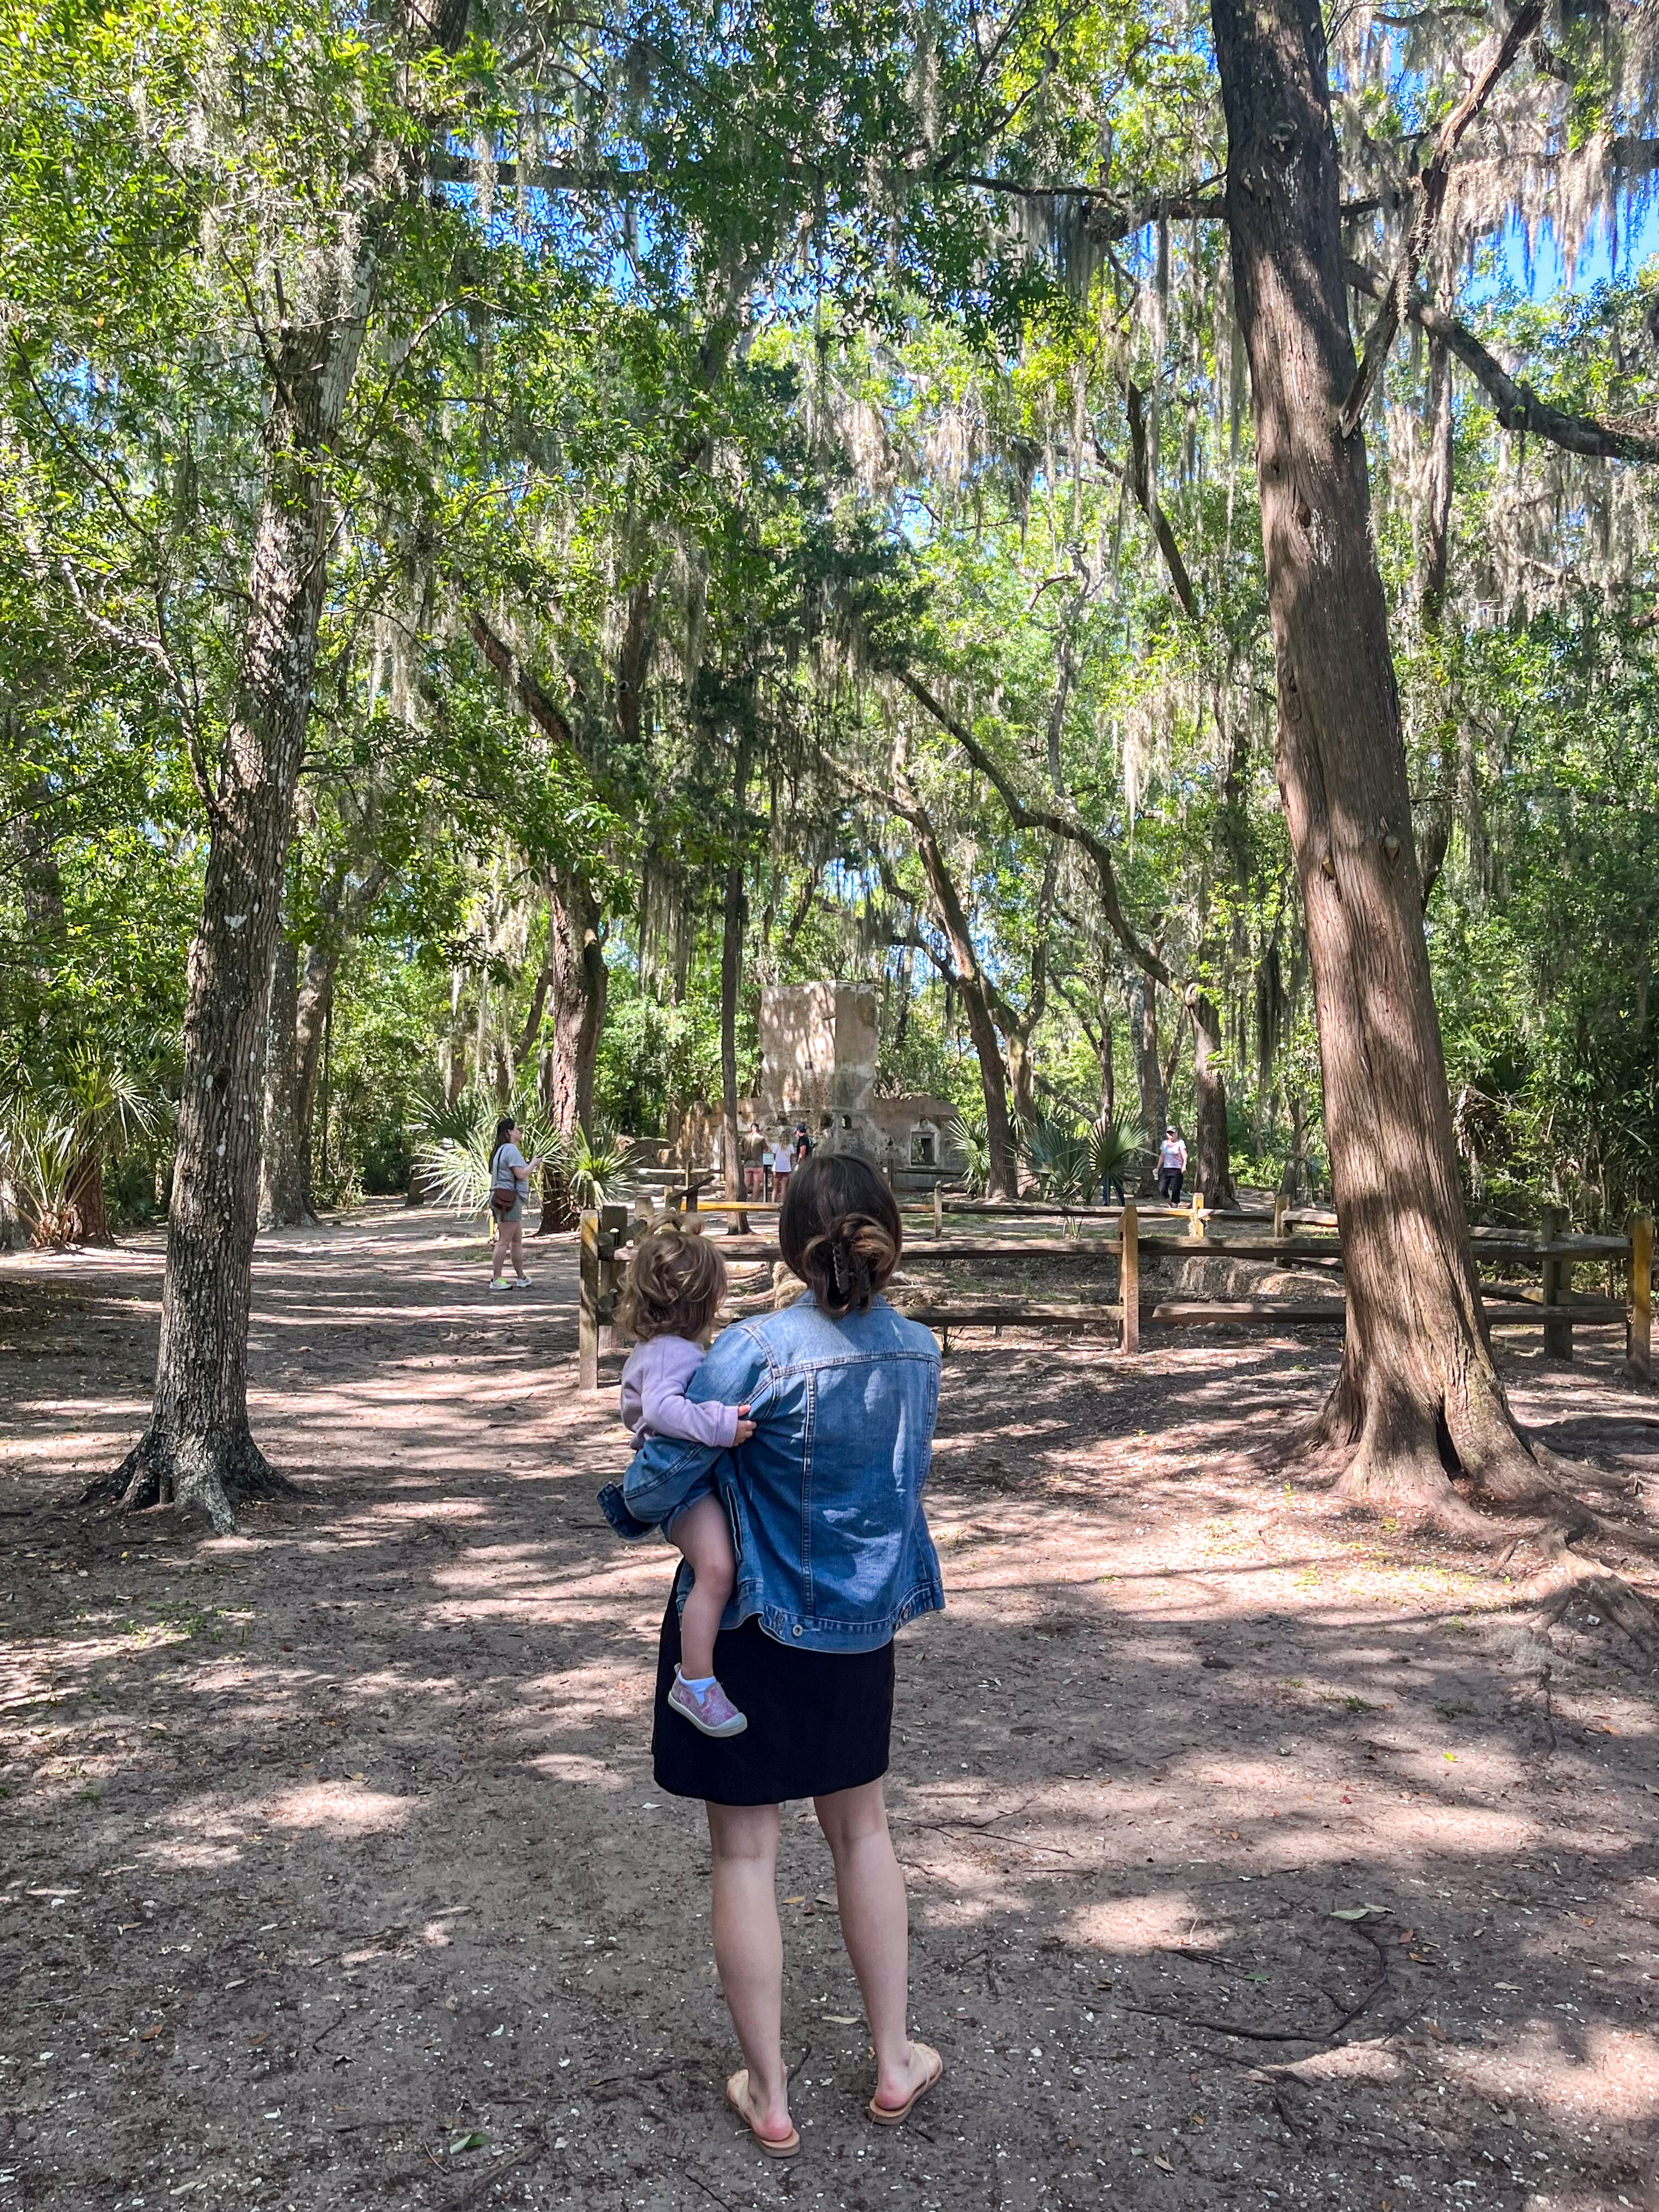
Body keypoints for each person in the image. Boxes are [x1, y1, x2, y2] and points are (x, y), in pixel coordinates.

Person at [600, 1153, 945, 2156]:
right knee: (863, 1836)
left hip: (747, 1630)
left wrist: (636, 1506)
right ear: (885, 1237)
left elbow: (663, 1471)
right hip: (857, 1632)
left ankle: (774, 2092)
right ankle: (892, 2060)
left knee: (744, 1852)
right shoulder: (919, 1351)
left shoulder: (751, 1348)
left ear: (795, 1248)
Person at [608, 1226, 758, 1737]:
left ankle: (701, 1670)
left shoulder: (660, 1347)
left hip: (687, 1481)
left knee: (713, 1568)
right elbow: (662, 1410)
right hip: (683, 1486)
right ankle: (694, 1680)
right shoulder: (673, 1351)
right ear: (698, 1301)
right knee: (717, 1569)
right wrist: (720, 1424)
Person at [487, 1118, 534, 1290]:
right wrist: (533, 1165)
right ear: (509, 1132)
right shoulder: (511, 1149)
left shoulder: (500, 1150)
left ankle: (521, 1277)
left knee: (517, 1240)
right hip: (508, 1200)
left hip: (500, 1198)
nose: (519, 1132)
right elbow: (521, 1174)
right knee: (504, 1241)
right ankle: (496, 1279)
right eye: (517, 1129)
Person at [1156, 1125, 1187, 1205]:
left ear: (1176, 1134)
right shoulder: (1164, 1144)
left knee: (1176, 1189)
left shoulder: (1180, 1143)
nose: (1171, 1134)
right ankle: (1170, 1203)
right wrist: (1158, 1168)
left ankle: (1175, 1207)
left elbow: (1185, 1155)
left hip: (1177, 1169)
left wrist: (1184, 1165)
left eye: (1172, 1133)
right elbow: (1162, 1156)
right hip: (1167, 1169)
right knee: (1162, 1188)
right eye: (1169, 1133)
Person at [770, 1131, 794, 1203]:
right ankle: (782, 1204)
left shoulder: (777, 1145)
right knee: (784, 1188)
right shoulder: (790, 1146)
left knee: (775, 1188)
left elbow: (774, 1156)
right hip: (786, 1168)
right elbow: (792, 1158)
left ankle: (773, 1204)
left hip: (777, 1168)